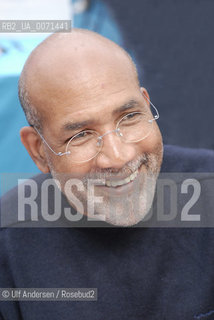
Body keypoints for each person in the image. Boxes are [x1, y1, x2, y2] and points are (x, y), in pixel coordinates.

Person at [1, 29, 214, 319]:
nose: (119, 156)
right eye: (81, 135)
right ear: (38, 150)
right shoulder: (8, 246)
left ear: (146, 105)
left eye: (129, 117)